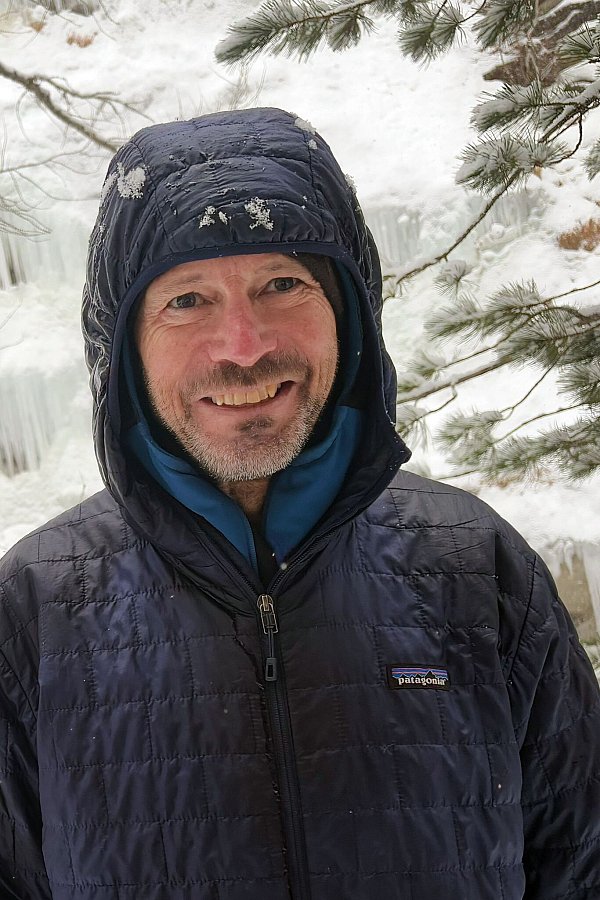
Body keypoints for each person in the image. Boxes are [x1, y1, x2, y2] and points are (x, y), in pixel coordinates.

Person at [0, 107, 598, 900]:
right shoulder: (34, 611)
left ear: (348, 312)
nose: (243, 346)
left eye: (283, 283)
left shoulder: (476, 567)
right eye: (187, 300)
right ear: (123, 342)